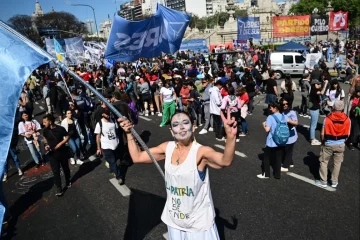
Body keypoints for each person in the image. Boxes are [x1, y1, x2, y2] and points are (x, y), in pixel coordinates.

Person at [117, 110, 237, 239]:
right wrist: (129, 133)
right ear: (171, 132)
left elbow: (225, 161)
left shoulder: (201, 152)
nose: (181, 127)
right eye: (175, 124)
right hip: (174, 222)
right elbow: (137, 157)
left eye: (185, 123)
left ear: (194, 127)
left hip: (198, 225)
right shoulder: (167, 148)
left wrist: (231, 138)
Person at [316, 101, 351, 188]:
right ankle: (334, 181)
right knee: (337, 163)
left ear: (333, 108)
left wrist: (323, 141)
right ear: (343, 108)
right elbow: (348, 133)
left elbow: (322, 134)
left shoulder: (327, 119)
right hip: (340, 144)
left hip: (329, 143)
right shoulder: (347, 119)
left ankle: (323, 181)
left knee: (324, 162)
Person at [42, 114, 71, 196]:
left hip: (62, 153)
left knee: (65, 168)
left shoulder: (60, 129)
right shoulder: (45, 130)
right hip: (52, 154)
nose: (43, 124)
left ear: (50, 122)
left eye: (45, 122)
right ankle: (59, 188)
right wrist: (46, 145)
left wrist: (60, 144)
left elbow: (67, 136)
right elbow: (45, 138)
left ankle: (68, 181)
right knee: (56, 171)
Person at [94, 107, 125, 185]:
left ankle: (112, 168)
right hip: (106, 146)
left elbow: (118, 130)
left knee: (116, 158)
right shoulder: (99, 124)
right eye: (106, 114)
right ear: (102, 114)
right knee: (113, 161)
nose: (108, 115)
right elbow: (98, 136)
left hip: (115, 144)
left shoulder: (113, 120)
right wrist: (98, 148)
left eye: (108, 113)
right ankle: (119, 177)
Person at [257, 102, 285, 179]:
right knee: (278, 158)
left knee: (266, 157)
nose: (270, 109)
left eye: (271, 107)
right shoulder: (283, 116)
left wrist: (264, 124)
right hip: (281, 140)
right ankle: (277, 174)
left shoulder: (270, 117)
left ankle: (266, 174)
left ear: (275, 108)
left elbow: (267, 129)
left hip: (272, 141)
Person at [279, 98, 298, 172]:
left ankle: (285, 166)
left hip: (291, 134)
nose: (285, 105)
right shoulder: (281, 112)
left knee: (288, 150)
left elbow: (296, 123)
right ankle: (290, 162)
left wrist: (289, 121)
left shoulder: (292, 112)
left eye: (287, 104)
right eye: (283, 104)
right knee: (286, 149)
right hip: (284, 133)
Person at [309, 79, 328, 145]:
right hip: (314, 110)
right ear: (314, 85)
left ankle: (312, 138)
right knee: (313, 125)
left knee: (313, 125)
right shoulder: (314, 91)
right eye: (318, 84)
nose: (319, 85)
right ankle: (312, 140)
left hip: (314, 109)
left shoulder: (314, 90)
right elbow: (322, 92)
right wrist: (325, 84)